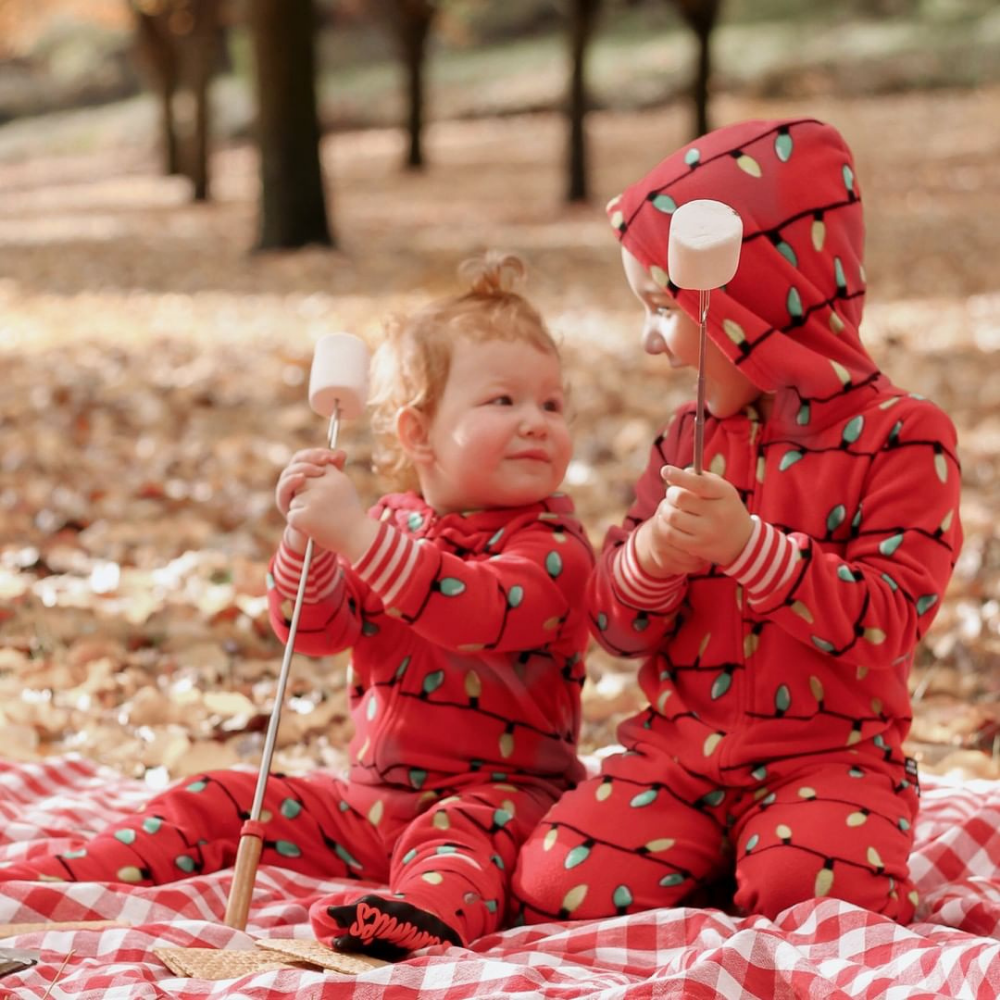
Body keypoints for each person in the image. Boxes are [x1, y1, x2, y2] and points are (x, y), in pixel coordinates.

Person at [1, 253, 595, 959]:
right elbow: (314, 629)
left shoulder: (554, 546)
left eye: (552, 404)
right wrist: (305, 540)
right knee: (222, 798)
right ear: (417, 434)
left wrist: (354, 535)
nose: (535, 421)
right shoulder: (389, 522)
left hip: (505, 795)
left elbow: (477, 613)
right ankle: (54, 881)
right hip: (366, 803)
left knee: (461, 843)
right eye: (504, 401)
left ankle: (409, 922)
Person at [512, 118, 962, 926]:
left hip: (829, 758)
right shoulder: (687, 440)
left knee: (816, 898)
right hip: (679, 757)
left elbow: (891, 621)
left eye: (664, 308)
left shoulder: (902, 437)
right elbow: (616, 628)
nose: (653, 344)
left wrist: (754, 551)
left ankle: (784, 852)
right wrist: (651, 558)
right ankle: (729, 853)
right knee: (555, 882)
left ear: (748, 301)